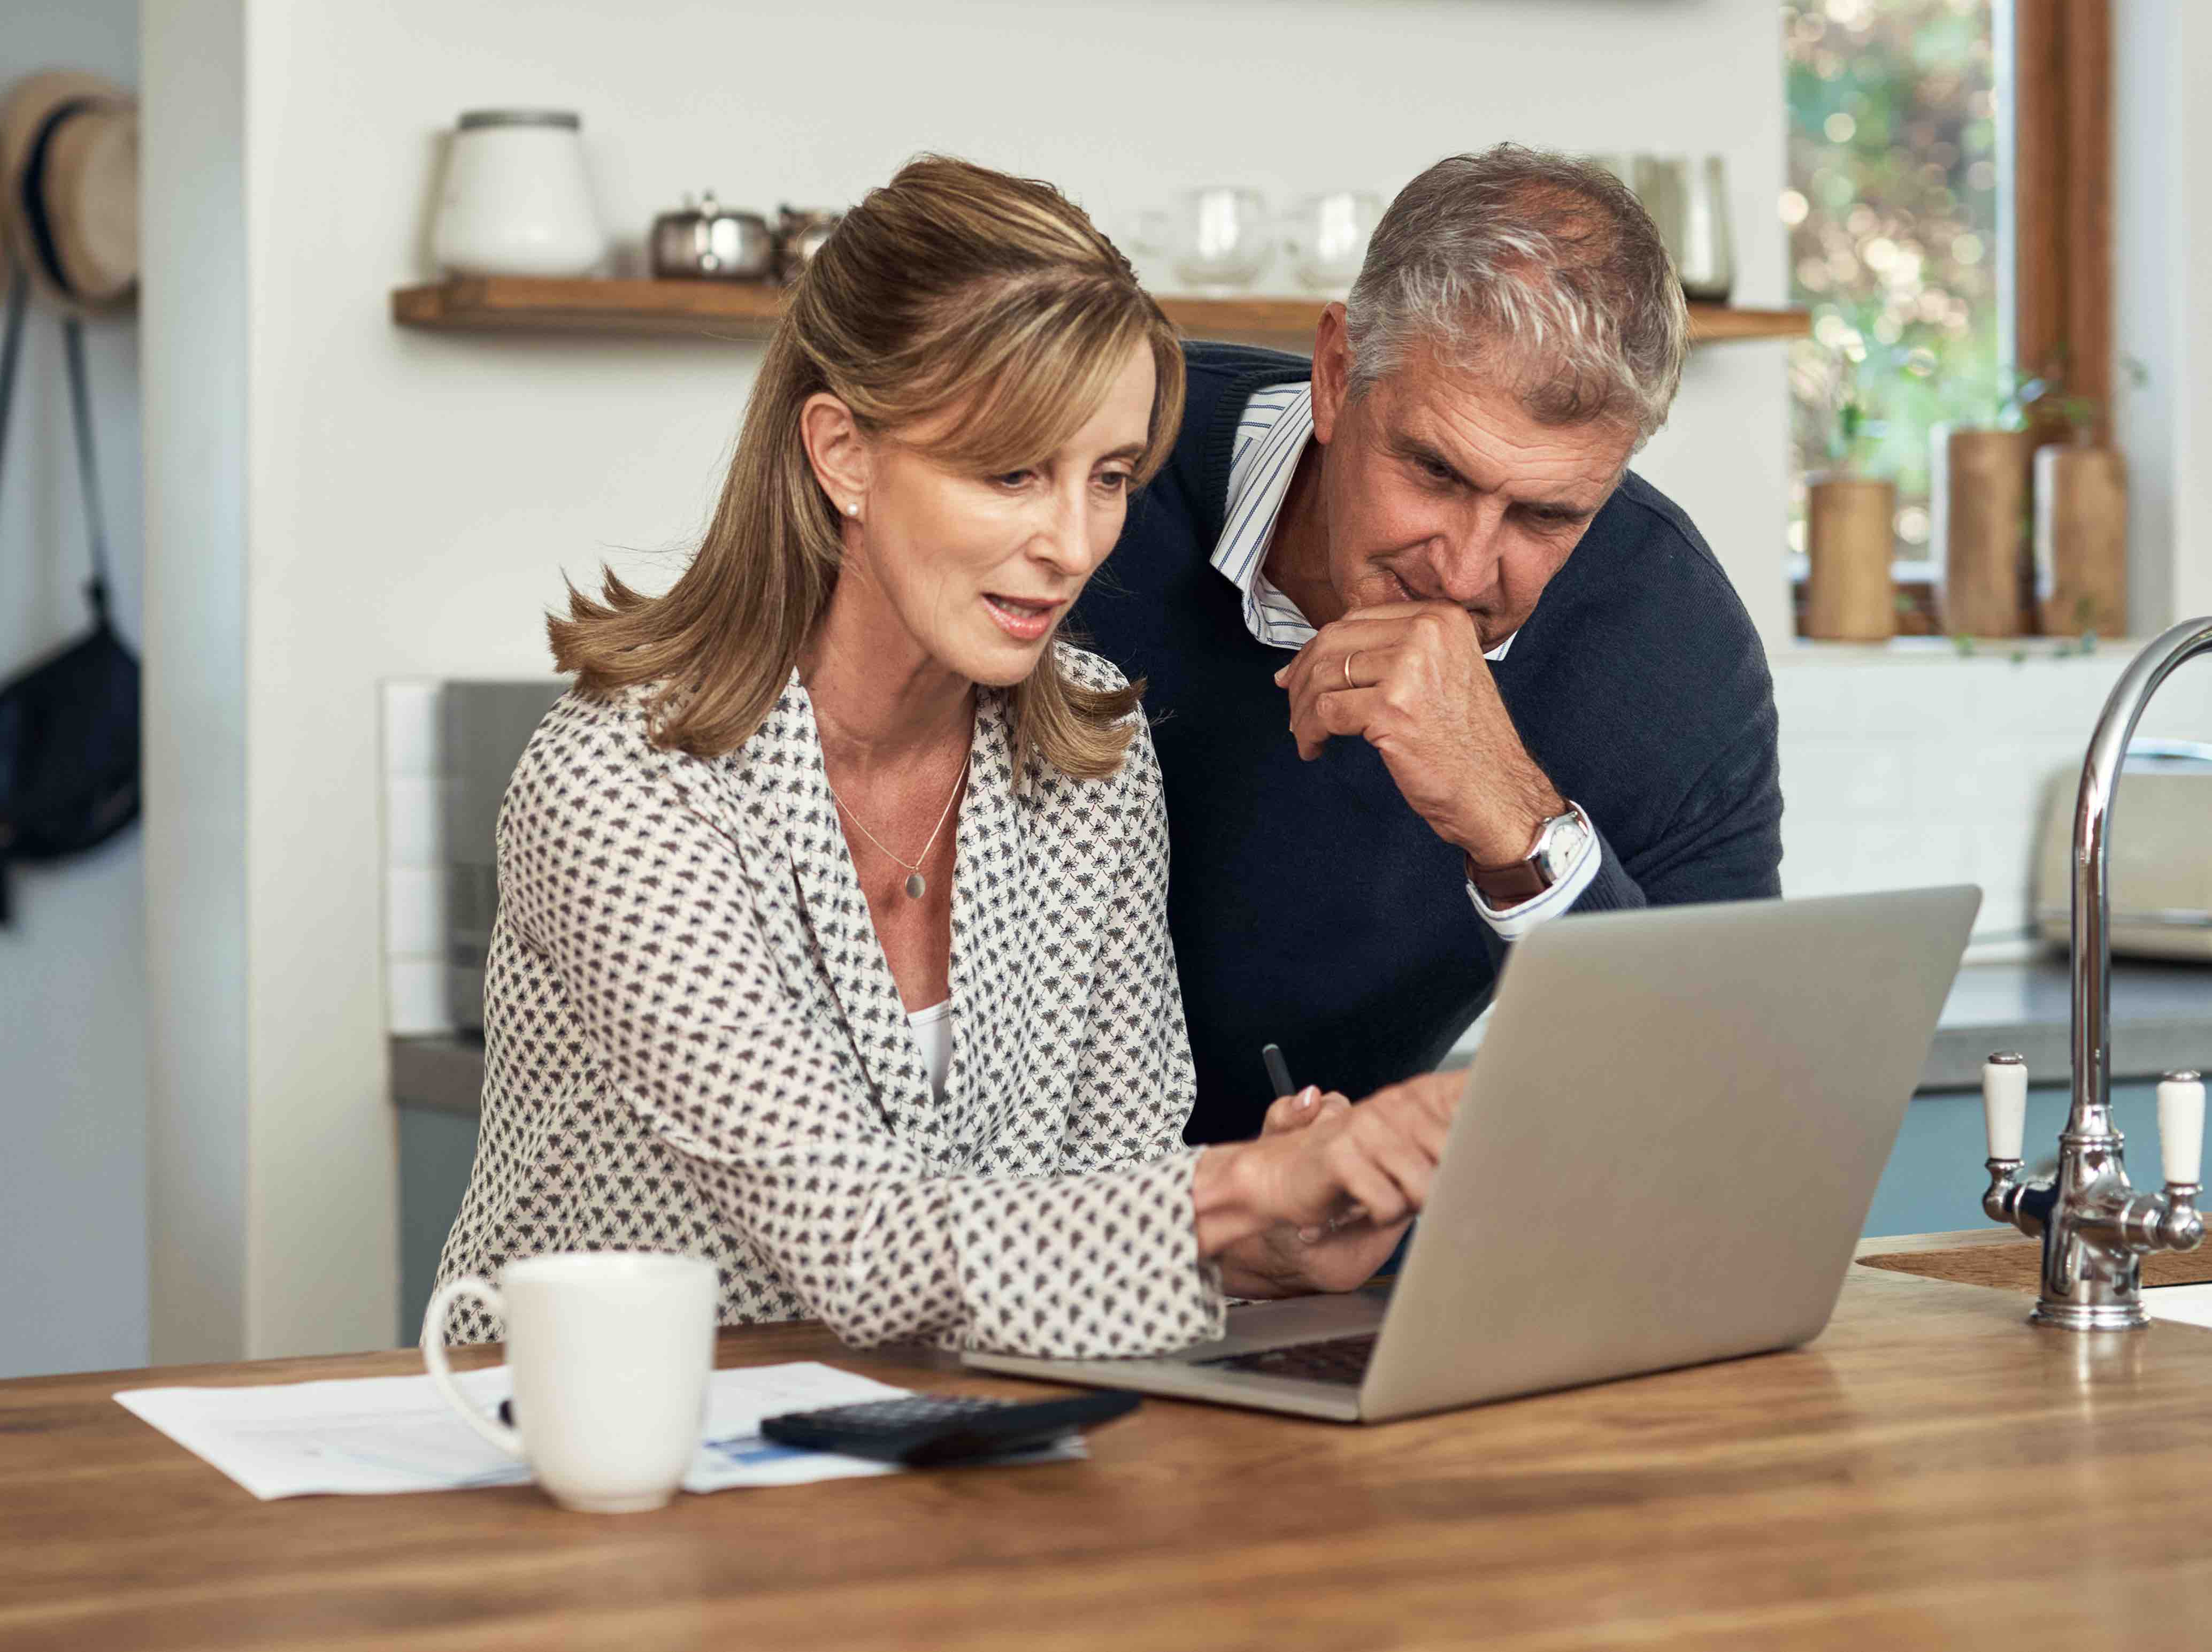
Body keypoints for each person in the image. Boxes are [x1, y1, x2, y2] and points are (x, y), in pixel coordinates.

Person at [435, 157, 1458, 1357]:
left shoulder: (1091, 762)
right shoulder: (622, 785)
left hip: (943, 1460)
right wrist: (1243, 1189)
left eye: (1111, 476)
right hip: (607, 1460)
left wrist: (1256, 1250)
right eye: (1010, 471)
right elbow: (856, 1241)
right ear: (843, 453)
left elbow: (1103, 1184)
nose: (1073, 543)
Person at [1073, 145, 1782, 1146]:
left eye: (1544, 514)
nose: (1462, 570)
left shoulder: (1670, 642)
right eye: (1435, 473)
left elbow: (1717, 1107)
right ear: (1334, 372)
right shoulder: (1100, 473)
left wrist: (1519, 827)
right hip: (1003, 1228)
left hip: (1335, 1246)